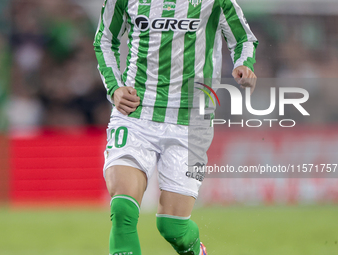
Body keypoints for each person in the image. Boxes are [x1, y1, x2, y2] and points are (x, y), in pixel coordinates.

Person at [93, 0, 258, 254]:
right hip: (136, 112)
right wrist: (115, 88)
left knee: (172, 227)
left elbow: (243, 39)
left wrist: (243, 63)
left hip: (190, 120)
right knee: (122, 209)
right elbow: (105, 39)